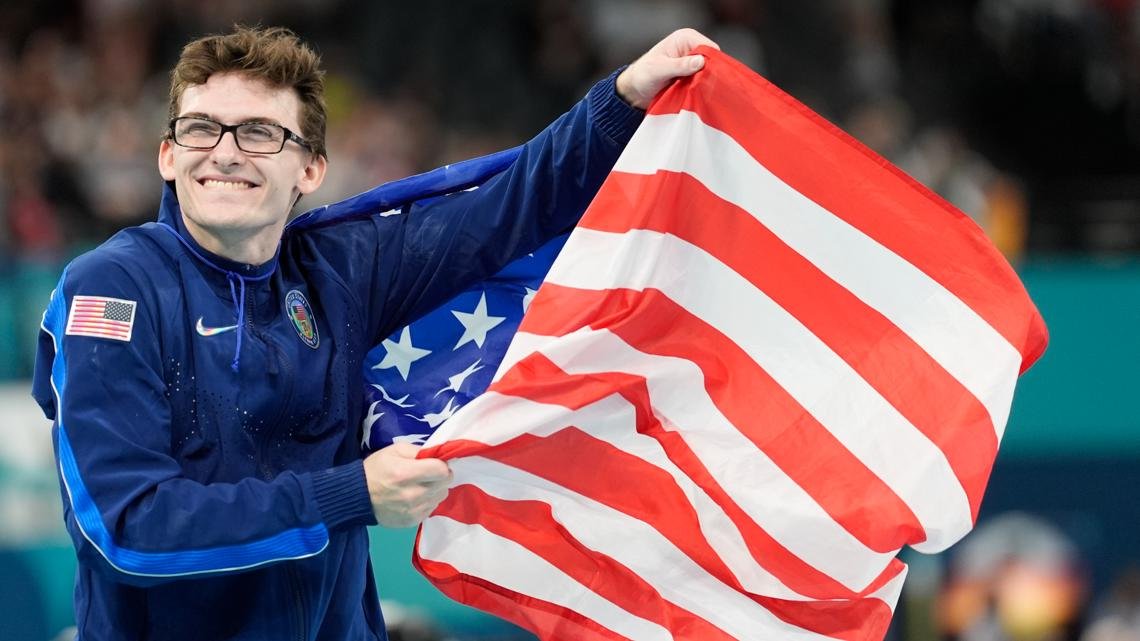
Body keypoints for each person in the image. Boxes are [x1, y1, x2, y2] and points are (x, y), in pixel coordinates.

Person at [31, 24, 717, 641]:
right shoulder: (113, 287)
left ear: (311, 168)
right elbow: (127, 529)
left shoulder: (336, 271)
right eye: (202, 129)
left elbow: (508, 207)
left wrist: (624, 100)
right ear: (167, 155)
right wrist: (351, 494)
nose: (226, 153)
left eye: (260, 132)